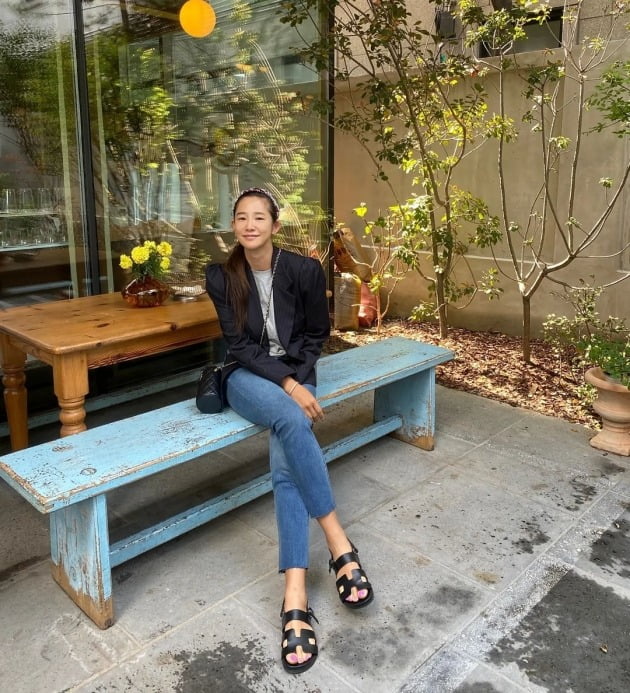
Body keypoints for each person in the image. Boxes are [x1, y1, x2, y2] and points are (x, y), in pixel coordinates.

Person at [205, 188, 374, 674]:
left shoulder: (303, 270)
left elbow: (317, 333)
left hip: (299, 371)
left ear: (275, 226)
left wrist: (296, 380)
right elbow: (238, 345)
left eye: (259, 217)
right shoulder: (221, 276)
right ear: (234, 226)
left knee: (285, 459)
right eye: (241, 217)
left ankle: (294, 591)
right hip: (246, 377)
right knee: (290, 416)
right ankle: (339, 544)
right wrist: (288, 387)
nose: (250, 225)